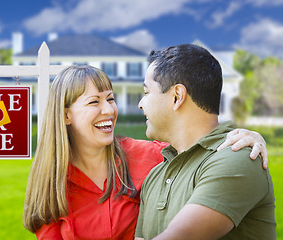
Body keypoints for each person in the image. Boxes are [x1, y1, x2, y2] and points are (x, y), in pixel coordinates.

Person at [23, 65, 268, 239]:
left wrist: (244, 136)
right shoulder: (52, 186)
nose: (108, 110)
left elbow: (198, 146)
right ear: (66, 115)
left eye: (110, 99)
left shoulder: (149, 155)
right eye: (94, 102)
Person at [135, 44, 276, 239]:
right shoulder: (155, 176)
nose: (141, 104)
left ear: (177, 96)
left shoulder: (238, 157)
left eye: (146, 92)